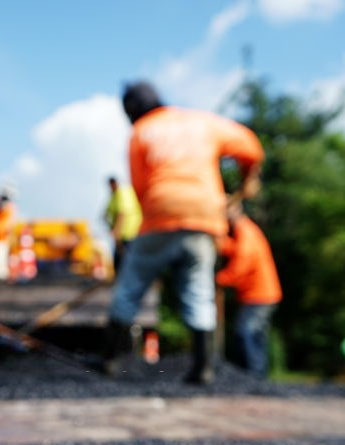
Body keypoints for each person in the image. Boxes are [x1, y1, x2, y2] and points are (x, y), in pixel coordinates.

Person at [101, 80, 265, 385]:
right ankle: (203, 367)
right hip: (204, 216)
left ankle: (112, 361)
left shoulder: (140, 132)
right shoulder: (201, 122)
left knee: (130, 286)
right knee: (199, 290)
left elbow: (139, 187)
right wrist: (247, 179)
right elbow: (251, 147)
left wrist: (150, 232)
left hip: (160, 215)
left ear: (132, 110)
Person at [216, 211, 282, 379]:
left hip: (260, 295)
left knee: (246, 332)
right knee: (255, 335)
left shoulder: (246, 232)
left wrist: (221, 279)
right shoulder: (246, 231)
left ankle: (254, 376)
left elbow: (242, 263)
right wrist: (222, 244)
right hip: (260, 294)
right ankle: (257, 375)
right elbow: (238, 251)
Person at [103, 175, 142, 274]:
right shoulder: (114, 196)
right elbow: (106, 214)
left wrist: (116, 232)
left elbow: (122, 213)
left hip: (129, 232)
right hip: (123, 233)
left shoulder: (122, 194)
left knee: (126, 259)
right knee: (120, 259)